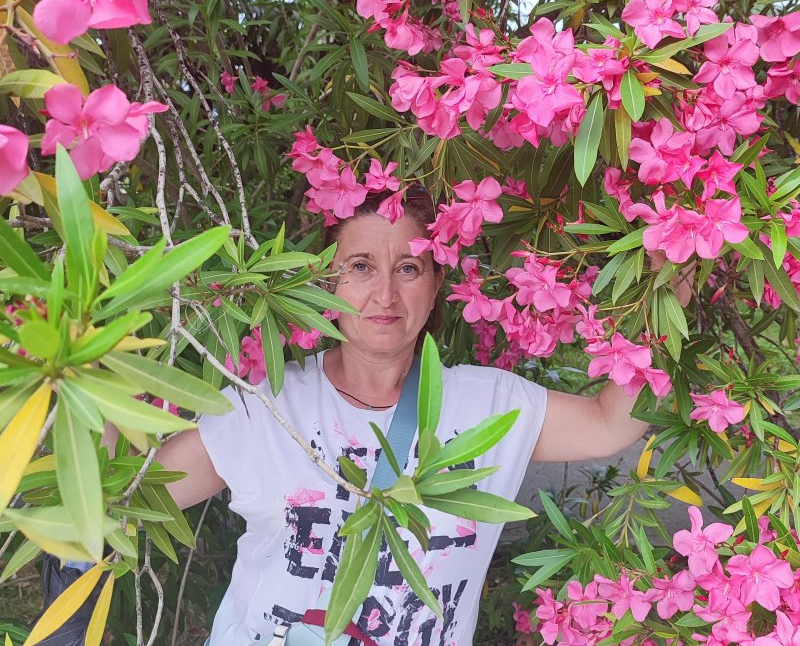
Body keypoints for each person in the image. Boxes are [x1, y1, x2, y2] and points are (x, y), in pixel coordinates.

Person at [151, 185, 650, 646]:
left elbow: (610, 425)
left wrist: (665, 281)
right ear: (325, 281)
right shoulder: (268, 406)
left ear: (436, 284)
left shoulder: (489, 406)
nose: (385, 295)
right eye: (361, 266)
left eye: (408, 268)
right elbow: (136, 494)